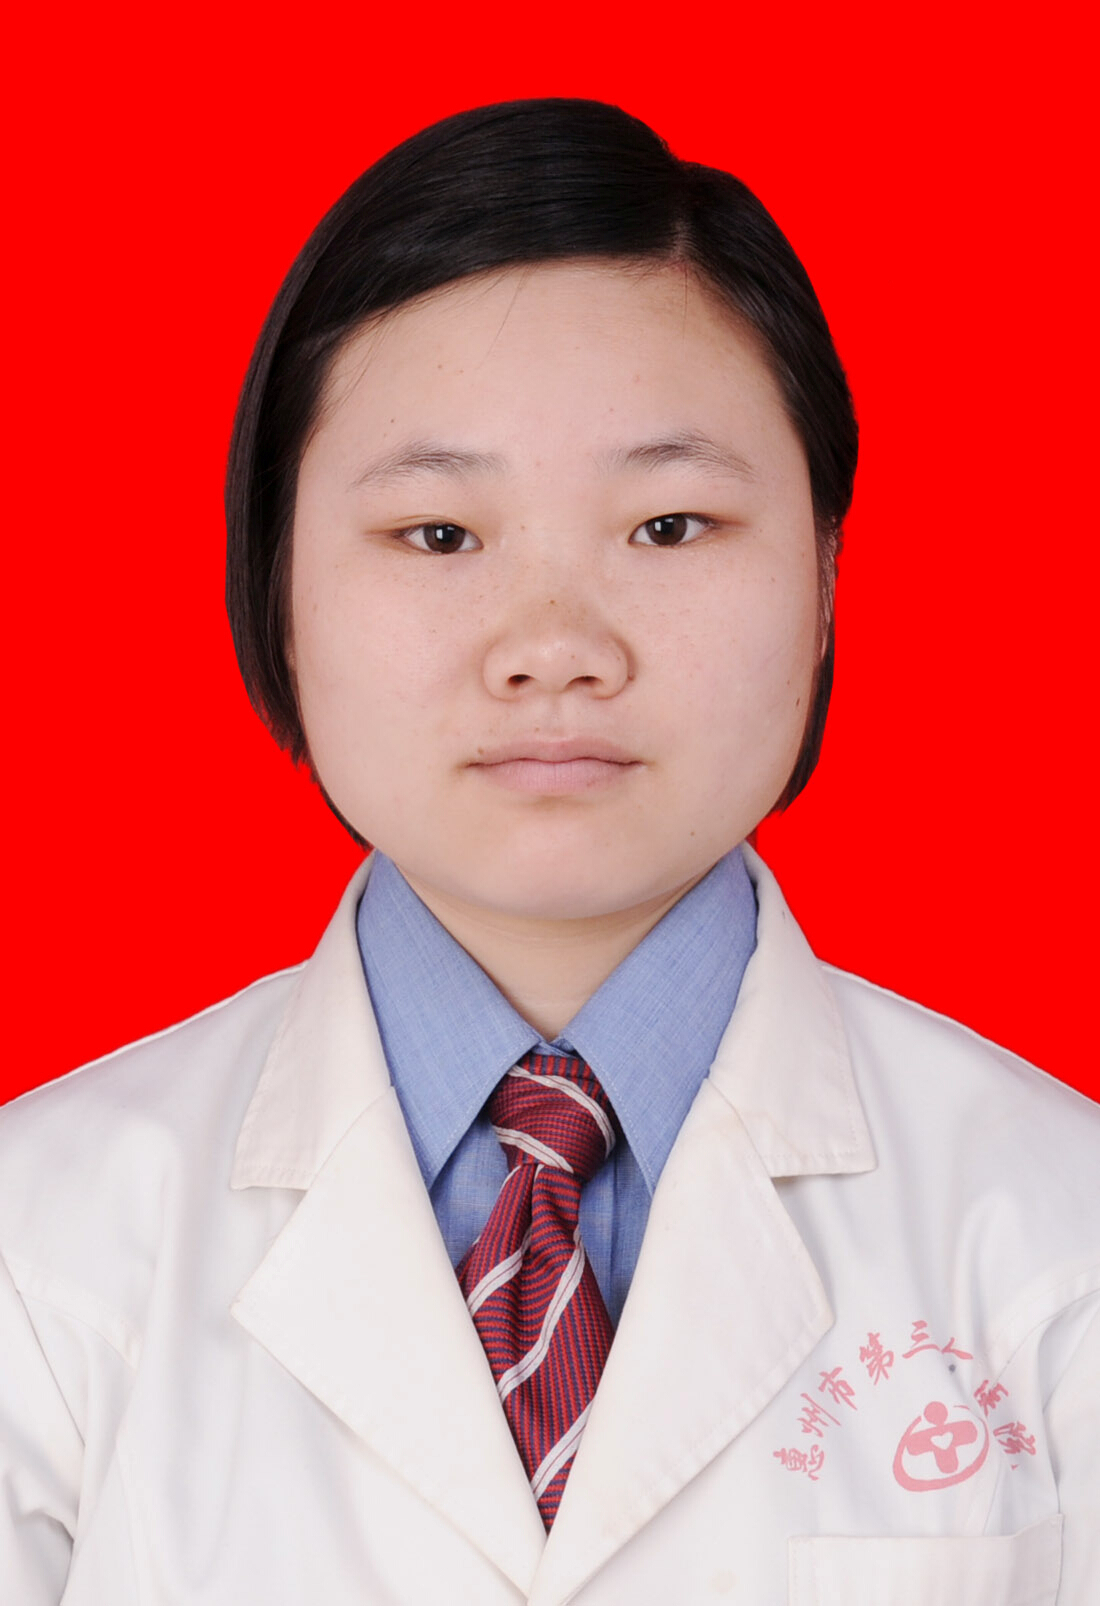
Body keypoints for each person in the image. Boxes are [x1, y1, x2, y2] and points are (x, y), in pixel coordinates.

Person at [0, 97, 1096, 1605]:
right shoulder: (39, 1248)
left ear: (829, 576)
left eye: (670, 526)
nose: (556, 646)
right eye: (440, 535)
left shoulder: (1057, 1233)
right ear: (278, 584)